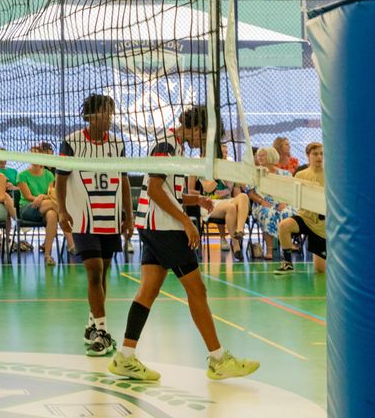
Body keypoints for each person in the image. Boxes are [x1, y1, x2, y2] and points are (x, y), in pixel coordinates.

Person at [109, 105, 258, 382]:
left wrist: (195, 199)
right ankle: (218, 359)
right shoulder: (166, 146)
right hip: (165, 228)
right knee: (197, 289)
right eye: (205, 136)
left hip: (154, 226)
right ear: (196, 128)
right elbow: (154, 190)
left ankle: (125, 357)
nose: (205, 143)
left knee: (148, 291)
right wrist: (187, 222)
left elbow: (167, 191)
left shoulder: (175, 146)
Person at [57, 93, 131, 356]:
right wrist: (62, 210)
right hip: (83, 217)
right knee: (95, 271)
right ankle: (102, 332)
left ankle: (92, 324)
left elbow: (124, 179)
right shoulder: (72, 142)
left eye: (111, 112)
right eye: (104, 111)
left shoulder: (118, 143)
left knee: (104, 272)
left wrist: (128, 214)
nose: (109, 117)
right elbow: (61, 179)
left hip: (110, 216)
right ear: (90, 115)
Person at [275, 142, 326, 275]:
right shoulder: (300, 175)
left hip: (322, 225)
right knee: (284, 226)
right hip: (304, 218)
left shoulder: (331, 175)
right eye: (315, 154)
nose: (319, 157)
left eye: (321, 154)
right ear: (308, 156)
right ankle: (287, 263)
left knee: (320, 270)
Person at [247, 146, 292, 261]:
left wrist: (285, 203)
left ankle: (286, 248)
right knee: (268, 213)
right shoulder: (255, 174)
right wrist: (262, 201)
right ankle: (269, 249)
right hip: (263, 203)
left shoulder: (285, 174)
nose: (259, 157)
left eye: (263, 155)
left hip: (282, 203)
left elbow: (291, 192)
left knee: (287, 213)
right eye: (258, 155)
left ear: (271, 156)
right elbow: (250, 193)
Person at [17, 147, 59, 266]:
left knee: (52, 214)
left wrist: (41, 197)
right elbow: (28, 196)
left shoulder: (49, 175)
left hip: (45, 206)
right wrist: (40, 197)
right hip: (28, 207)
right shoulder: (22, 175)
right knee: (54, 205)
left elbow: (50, 194)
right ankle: (67, 225)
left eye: (37, 155)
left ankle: (47, 255)